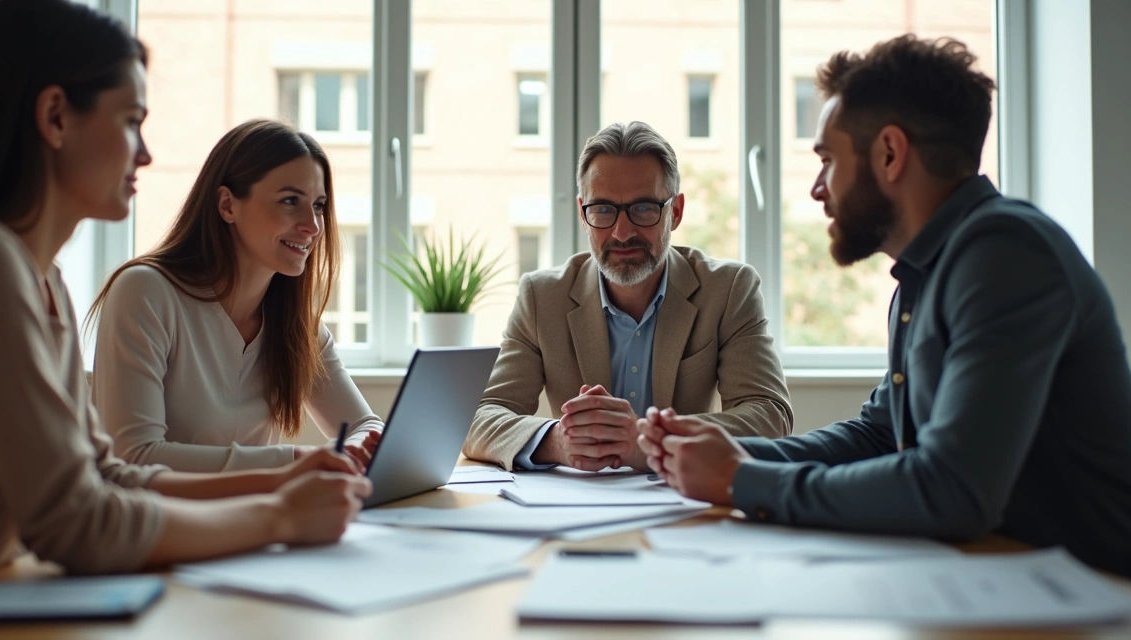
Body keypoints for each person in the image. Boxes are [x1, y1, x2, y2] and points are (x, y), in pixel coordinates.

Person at [0, 0, 370, 594]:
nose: (146, 153)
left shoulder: (42, 277)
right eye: (131, 120)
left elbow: (108, 477)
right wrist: (279, 514)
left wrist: (287, 483)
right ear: (55, 116)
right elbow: (79, 523)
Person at [638, 35, 1131, 576]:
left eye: (827, 160)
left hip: (1093, 596)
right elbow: (878, 436)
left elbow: (953, 490)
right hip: (1002, 574)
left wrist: (739, 480)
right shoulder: (929, 270)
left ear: (890, 153)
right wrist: (728, 451)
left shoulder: (1004, 254)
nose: (817, 189)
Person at [463, 121, 793, 472]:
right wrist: (557, 441)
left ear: (675, 212)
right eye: (603, 209)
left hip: (684, 505)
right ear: (582, 213)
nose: (622, 233)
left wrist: (648, 441)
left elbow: (769, 415)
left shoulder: (728, 290)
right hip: (576, 508)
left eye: (644, 209)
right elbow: (476, 417)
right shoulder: (542, 297)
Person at [89, 119, 383, 473]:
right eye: (290, 201)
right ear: (227, 205)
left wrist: (358, 450)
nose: (313, 225)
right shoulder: (145, 293)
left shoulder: (296, 326)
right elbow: (133, 457)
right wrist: (296, 461)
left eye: (318, 205)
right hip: (163, 524)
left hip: (258, 522)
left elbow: (366, 427)